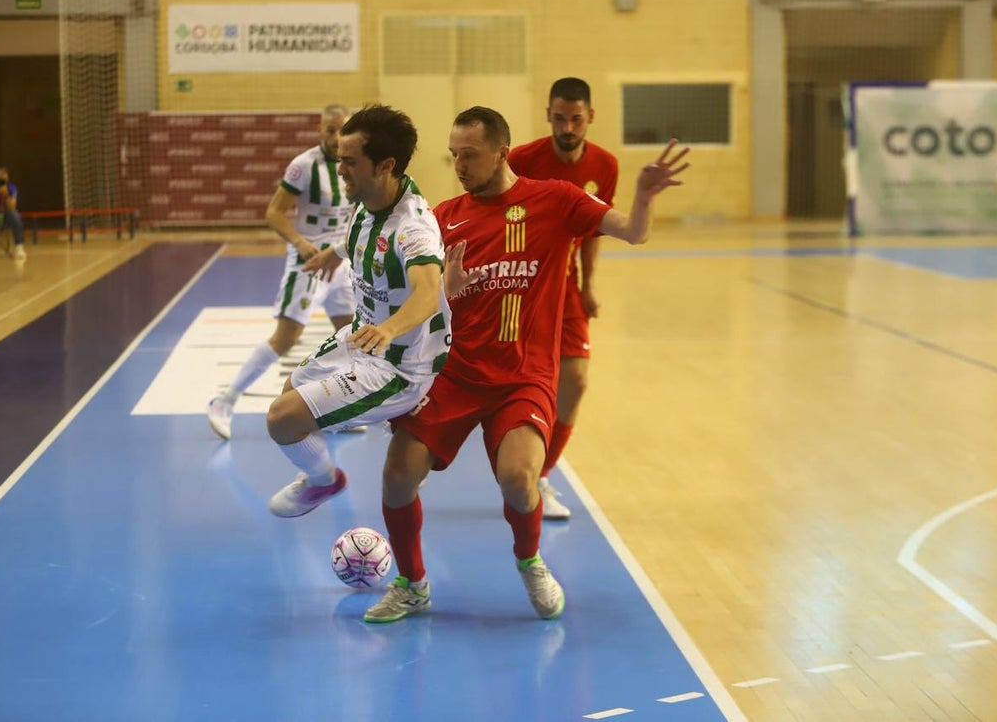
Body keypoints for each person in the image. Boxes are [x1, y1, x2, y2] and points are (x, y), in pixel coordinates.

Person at [363, 106, 687, 624]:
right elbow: (418, 297)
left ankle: (530, 560)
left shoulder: (555, 201)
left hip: (522, 376)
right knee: (396, 477)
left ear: (502, 153)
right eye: (453, 156)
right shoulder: (442, 217)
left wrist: (644, 197)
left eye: (469, 155)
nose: (460, 165)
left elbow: (633, 231)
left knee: (518, 479)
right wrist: (444, 292)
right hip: (454, 372)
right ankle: (412, 584)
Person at [264, 104, 451, 519]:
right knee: (289, 398)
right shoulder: (369, 197)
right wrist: (334, 252)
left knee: (281, 419)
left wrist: (390, 328)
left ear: (385, 165)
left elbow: (427, 290)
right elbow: (363, 235)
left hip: (398, 366)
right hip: (360, 337)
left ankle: (324, 480)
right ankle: (322, 474)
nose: (340, 170)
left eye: (350, 162)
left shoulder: (414, 227)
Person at [208, 105, 357, 439]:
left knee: (350, 336)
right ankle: (224, 401)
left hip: (340, 263)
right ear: (321, 129)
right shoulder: (304, 166)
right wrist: (301, 243)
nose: (336, 137)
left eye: (342, 130)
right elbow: (274, 213)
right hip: (309, 263)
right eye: (331, 129)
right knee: (287, 337)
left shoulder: (354, 165)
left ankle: (334, 412)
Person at [507, 77, 619, 521]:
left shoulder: (605, 166)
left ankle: (543, 475)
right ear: (548, 116)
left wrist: (589, 284)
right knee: (519, 381)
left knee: (575, 380)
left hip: (565, 282)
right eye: (559, 118)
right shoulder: (522, 160)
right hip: (519, 281)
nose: (567, 126)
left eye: (576, 118)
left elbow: (597, 228)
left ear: (590, 117)